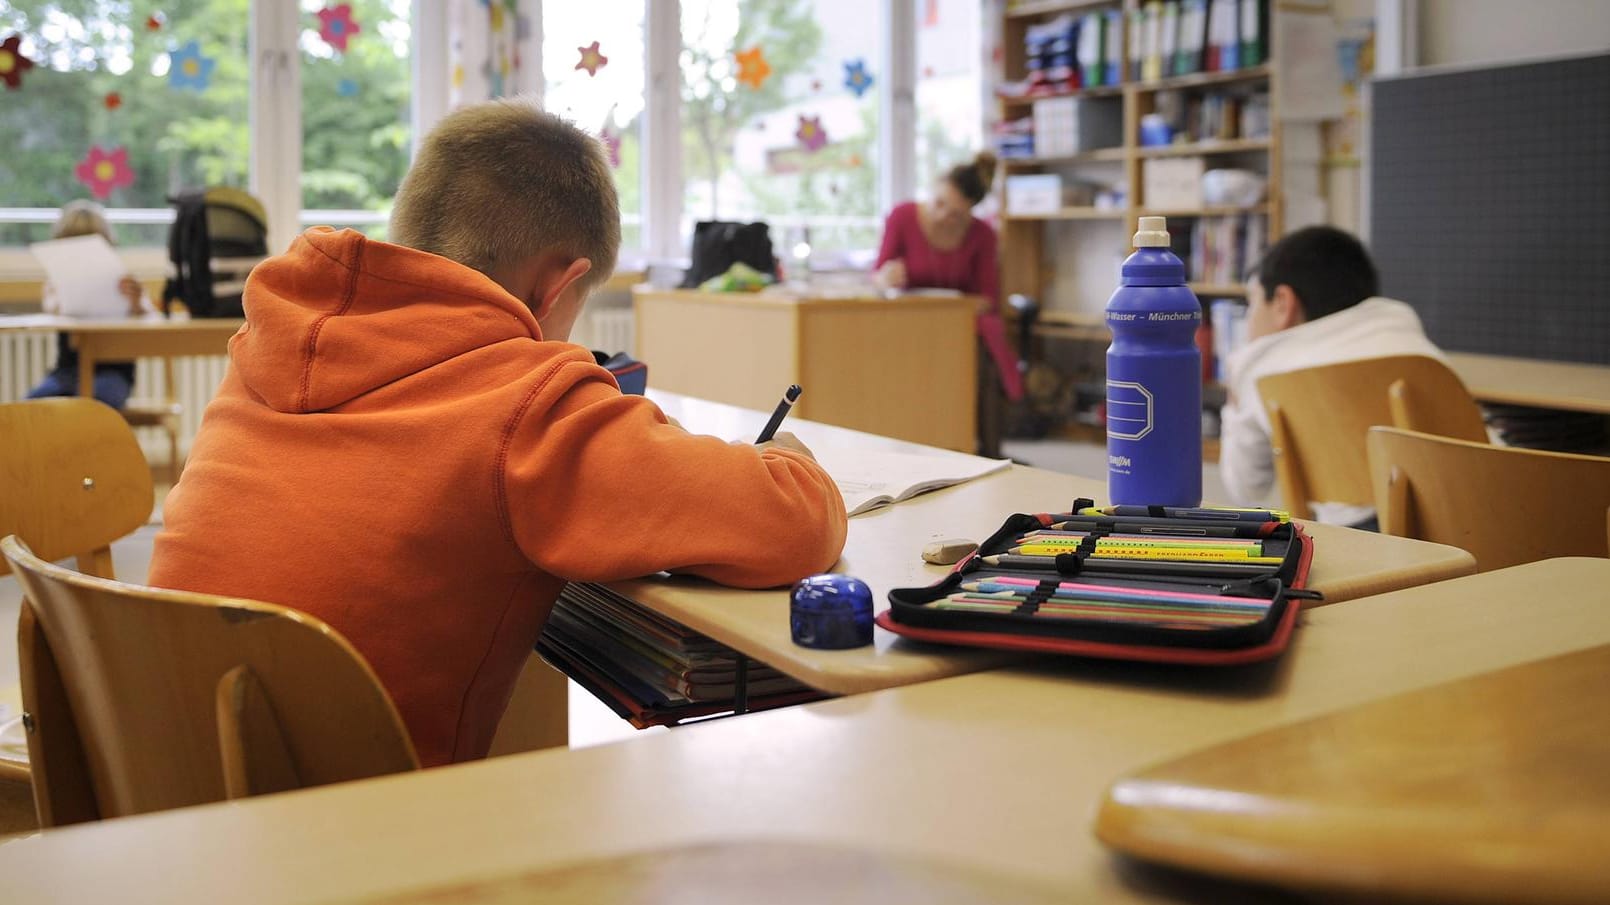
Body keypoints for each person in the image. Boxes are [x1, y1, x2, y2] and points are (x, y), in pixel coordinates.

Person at [149, 100, 849, 767]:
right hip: (356, 846)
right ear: (558, 285)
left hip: (169, 803)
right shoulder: (525, 402)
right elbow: (793, 523)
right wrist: (788, 459)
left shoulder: (267, 351)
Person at [1217, 226, 1444, 527]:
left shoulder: (1264, 368)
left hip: (1367, 541)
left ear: (1283, 303)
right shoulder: (1412, 342)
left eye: (1253, 301)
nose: (1250, 318)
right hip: (1469, 521)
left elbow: (1247, 488)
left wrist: (1235, 398)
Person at [872, 151, 1021, 456]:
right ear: (932, 189)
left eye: (955, 213)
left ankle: (982, 446)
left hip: (957, 326)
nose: (943, 216)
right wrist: (885, 278)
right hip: (907, 321)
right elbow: (877, 275)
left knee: (982, 354)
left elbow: (987, 299)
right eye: (939, 204)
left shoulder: (983, 235)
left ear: (970, 211)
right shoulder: (901, 217)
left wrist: (951, 309)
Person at [26, 201, 148, 409]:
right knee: (32, 407)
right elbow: (51, 306)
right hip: (67, 373)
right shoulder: (55, 286)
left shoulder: (124, 283)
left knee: (97, 403)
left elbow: (148, 314)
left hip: (113, 374)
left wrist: (136, 304)